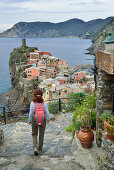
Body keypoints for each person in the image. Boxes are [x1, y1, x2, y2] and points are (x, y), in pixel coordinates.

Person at [29, 89, 50, 155]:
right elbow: (47, 112)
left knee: (34, 134)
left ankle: (35, 148)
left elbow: (31, 113)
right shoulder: (44, 103)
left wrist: (29, 120)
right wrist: (48, 118)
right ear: (41, 95)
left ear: (34, 96)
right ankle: (40, 148)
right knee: (41, 134)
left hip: (34, 119)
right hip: (43, 120)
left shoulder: (32, 103)